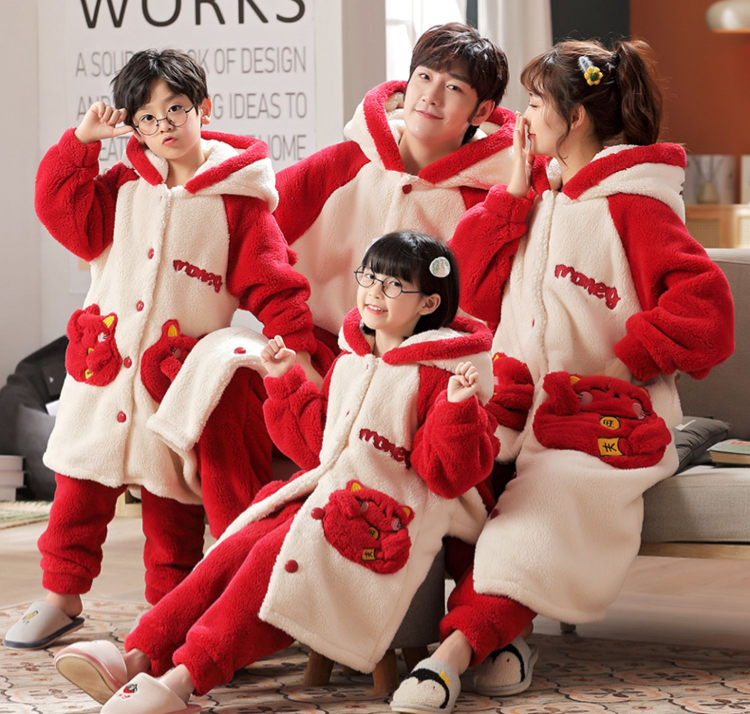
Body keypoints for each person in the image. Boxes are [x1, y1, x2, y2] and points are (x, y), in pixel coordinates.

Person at [391, 39, 735, 713]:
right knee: (441, 468)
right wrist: (511, 197)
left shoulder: (634, 203)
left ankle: (450, 655)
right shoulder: (535, 197)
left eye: (536, 102)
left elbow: (707, 311)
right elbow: (464, 294)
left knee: (538, 505)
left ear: (575, 117)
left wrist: (624, 363)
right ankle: (502, 638)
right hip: (513, 408)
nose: (523, 116)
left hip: (600, 421)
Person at [51, 231, 500, 714]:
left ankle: (185, 679)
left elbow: (446, 475)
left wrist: (458, 410)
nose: (374, 292)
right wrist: (286, 381)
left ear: (429, 302)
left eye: (393, 285)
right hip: (322, 492)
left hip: (382, 518)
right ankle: (138, 657)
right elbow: (316, 447)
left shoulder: (441, 375)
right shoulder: (352, 363)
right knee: (233, 549)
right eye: (369, 278)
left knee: (269, 556)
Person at [3, 49, 319, 651]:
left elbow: (274, 281)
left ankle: (168, 609)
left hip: (173, 383)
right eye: (147, 118)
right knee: (77, 487)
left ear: (204, 108)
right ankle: (60, 597)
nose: (164, 126)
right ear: (134, 126)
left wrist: (297, 350)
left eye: (176, 109)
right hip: (103, 376)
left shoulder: (237, 201)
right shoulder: (123, 186)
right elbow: (60, 210)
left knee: (171, 503)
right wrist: (80, 143)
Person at [274, 22, 515, 352]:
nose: (431, 97)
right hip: (320, 352)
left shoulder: (490, 201)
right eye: (424, 77)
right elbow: (252, 230)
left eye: (453, 87)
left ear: (482, 111)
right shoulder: (345, 164)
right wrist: (295, 342)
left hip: (432, 365)